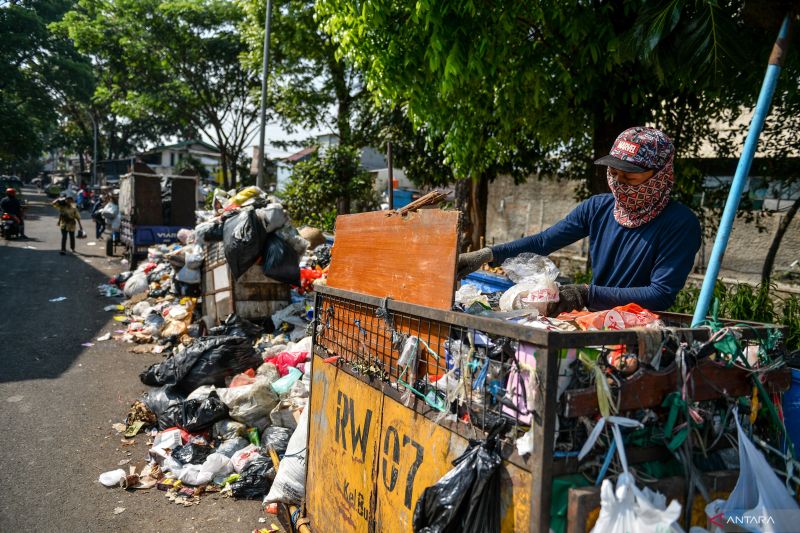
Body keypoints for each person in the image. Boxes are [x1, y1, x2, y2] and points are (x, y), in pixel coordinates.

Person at [457, 126, 701, 315]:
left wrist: (586, 293)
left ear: (660, 176)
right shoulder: (598, 208)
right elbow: (544, 242)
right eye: (614, 173)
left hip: (638, 327)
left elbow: (660, 293)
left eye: (629, 176)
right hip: (593, 320)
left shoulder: (679, 223)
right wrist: (486, 254)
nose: (618, 183)